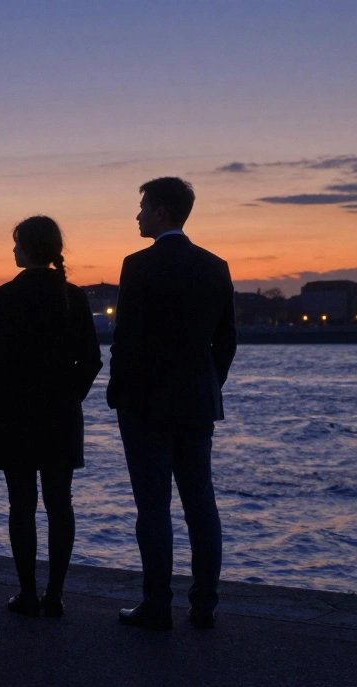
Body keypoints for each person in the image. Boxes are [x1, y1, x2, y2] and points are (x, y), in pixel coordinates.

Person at [108, 177, 237, 631]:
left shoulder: (138, 265)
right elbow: (226, 342)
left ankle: (156, 603)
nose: (138, 215)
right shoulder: (215, 266)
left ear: (161, 211)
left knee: (154, 505)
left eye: (143, 207)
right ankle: (204, 604)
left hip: (145, 402)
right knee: (201, 501)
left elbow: (127, 338)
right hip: (198, 401)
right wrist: (208, 383)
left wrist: (118, 390)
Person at [0, 216, 103, 618]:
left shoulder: (5, 296)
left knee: (21, 506)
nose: (12, 251)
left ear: (28, 248)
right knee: (60, 504)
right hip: (60, 415)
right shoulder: (73, 296)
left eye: (16, 244)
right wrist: (70, 396)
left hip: (14, 415)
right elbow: (92, 360)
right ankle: (56, 595)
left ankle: (27, 593)